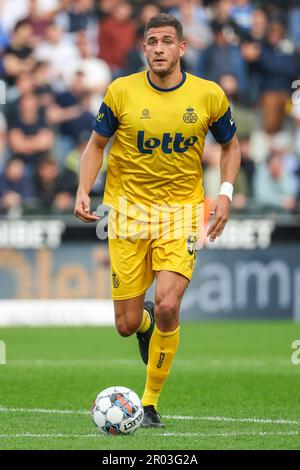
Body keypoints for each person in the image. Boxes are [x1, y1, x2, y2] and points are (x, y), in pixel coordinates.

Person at [74, 13, 241, 428]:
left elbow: (230, 145)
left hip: (181, 213)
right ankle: (143, 321)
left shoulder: (209, 95)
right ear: (143, 48)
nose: (160, 48)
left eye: (168, 41)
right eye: (152, 41)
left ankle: (148, 404)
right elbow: (96, 146)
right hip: (127, 214)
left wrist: (225, 193)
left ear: (182, 48)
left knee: (169, 303)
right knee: (126, 325)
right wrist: (83, 188)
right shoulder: (120, 92)